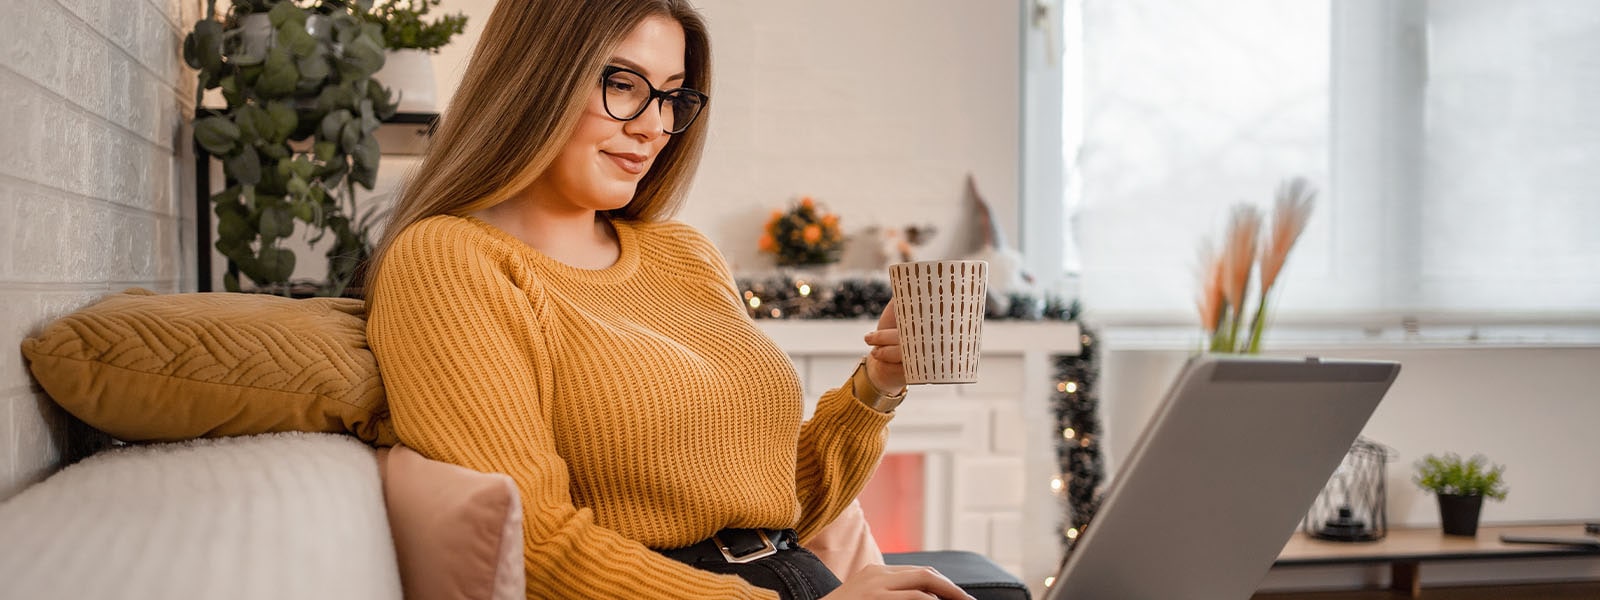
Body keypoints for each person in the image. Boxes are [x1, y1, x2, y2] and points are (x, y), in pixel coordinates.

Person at [364, 1, 974, 599]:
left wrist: (876, 386)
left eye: (672, 97)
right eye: (622, 84)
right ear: (535, 80)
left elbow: (784, 504)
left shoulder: (684, 252)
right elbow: (535, 546)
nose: (654, 126)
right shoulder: (447, 260)